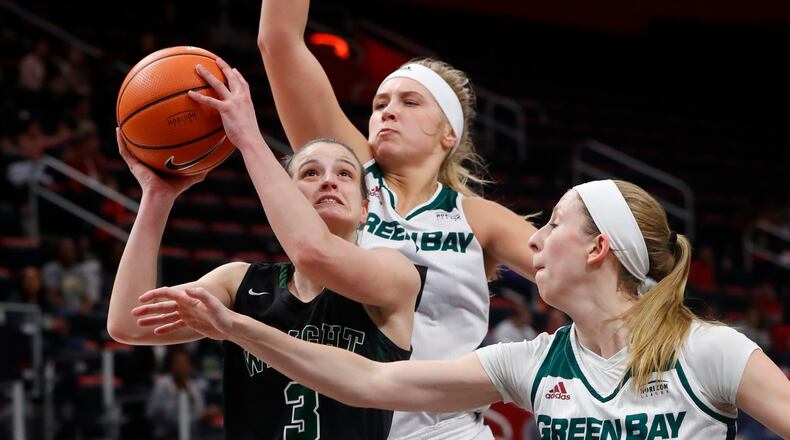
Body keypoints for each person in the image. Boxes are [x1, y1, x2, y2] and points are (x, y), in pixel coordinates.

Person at [136, 179, 790, 439]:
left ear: (599, 247)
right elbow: (369, 382)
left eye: (553, 223)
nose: (531, 239)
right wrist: (237, 328)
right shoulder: (532, 362)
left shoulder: (709, 351)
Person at [257, 2, 538, 437]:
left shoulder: (480, 218)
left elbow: (574, 270)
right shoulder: (347, 176)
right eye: (379, 103)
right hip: (344, 420)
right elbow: (278, 42)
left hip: (445, 428)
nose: (387, 111)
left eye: (410, 102)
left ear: (449, 134)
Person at [107, 72, 426, 438]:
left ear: (366, 209)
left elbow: (313, 253)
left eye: (344, 173)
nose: (328, 180)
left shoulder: (395, 274)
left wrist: (247, 137)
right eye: (310, 172)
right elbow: (128, 324)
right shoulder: (239, 282)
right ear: (284, 196)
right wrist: (157, 199)